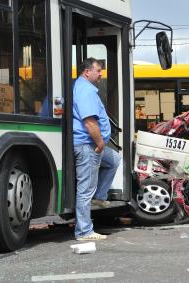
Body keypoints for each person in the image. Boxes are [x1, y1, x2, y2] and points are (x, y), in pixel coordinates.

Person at [73, 57, 121, 241]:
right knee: (85, 189)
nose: (101, 74)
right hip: (89, 146)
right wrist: (100, 143)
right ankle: (84, 231)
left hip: (91, 144)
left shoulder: (84, 88)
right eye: (98, 70)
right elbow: (89, 121)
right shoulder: (85, 91)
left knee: (115, 160)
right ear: (87, 72)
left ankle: (100, 197)